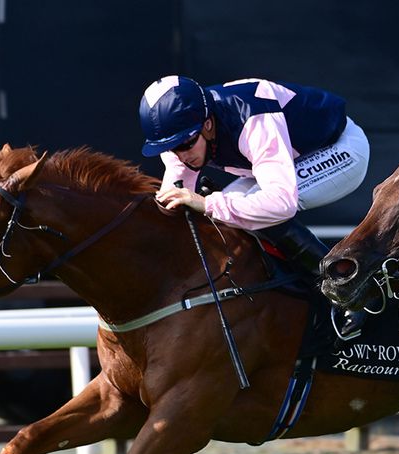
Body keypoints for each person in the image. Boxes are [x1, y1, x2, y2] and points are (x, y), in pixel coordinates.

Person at [139, 75, 370, 339]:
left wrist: (206, 202)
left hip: (339, 149)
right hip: (286, 157)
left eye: (185, 144)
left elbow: (281, 204)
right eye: (169, 148)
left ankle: (351, 292)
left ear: (208, 124)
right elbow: (174, 208)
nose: (181, 156)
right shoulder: (183, 135)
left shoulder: (253, 120)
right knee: (226, 215)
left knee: (248, 209)